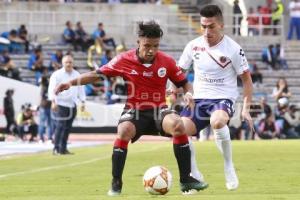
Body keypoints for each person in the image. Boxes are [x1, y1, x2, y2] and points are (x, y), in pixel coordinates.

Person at [54, 20, 208, 196]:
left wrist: (189, 94)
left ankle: (185, 180)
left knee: (178, 125)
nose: (151, 50)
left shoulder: (166, 61)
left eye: (155, 46)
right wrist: (70, 83)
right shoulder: (124, 59)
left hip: (159, 110)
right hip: (135, 110)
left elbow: (185, 84)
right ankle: (116, 182)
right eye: (147, 45)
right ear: (138, 42)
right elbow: (96, 75)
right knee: (124, 130)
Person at [177, 5, 253, 191]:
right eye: (203, 26)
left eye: (211, 26)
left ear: (221, 26)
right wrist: (175, 89)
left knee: (218, 122)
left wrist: (246, 108)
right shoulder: (193, 45)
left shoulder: (234, 49)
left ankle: (228, 166)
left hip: (222, 98)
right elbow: (179, 72)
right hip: (199, 99)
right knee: (179, 130)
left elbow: (246, 80)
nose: (206, 31)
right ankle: (194, 173)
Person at [48, 54, 86, 155]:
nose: (68, 64)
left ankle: (63, 148)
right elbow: (52, 89)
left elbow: (81, 88)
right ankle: (56, 148)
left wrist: (82, 102)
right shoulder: (57, 75)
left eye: (70, 62)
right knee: (60, 126)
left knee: (67, 127)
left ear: (73, 63)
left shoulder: (76, 74)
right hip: (60, 103)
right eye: (66, 62)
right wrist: (53, 102)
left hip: (72, 104)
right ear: (62, 63)